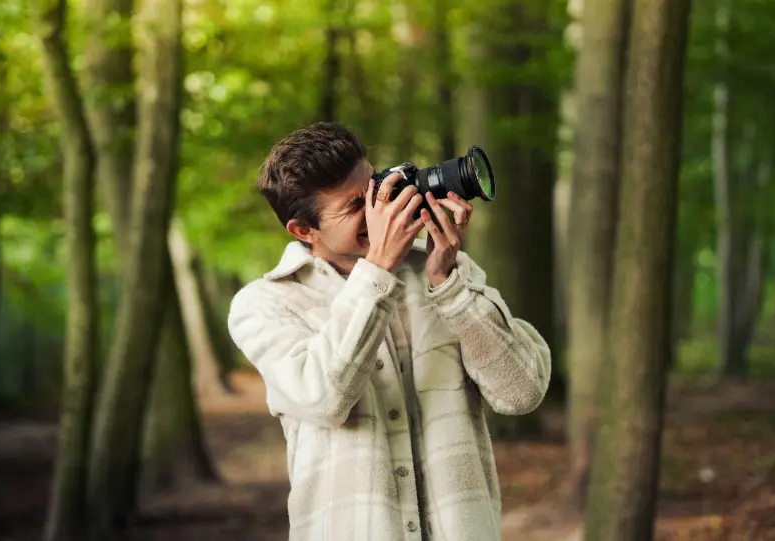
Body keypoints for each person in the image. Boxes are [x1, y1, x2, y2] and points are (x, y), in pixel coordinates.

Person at [226, 122, 552, 541]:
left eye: (375, 188)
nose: (381, 209)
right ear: (303, 230)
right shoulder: (263, 304)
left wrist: (450, 287)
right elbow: (324, 398)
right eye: (354, 206)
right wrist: (377, 269)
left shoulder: (444, 272)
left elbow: (522, 392)